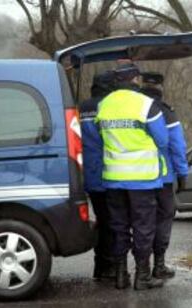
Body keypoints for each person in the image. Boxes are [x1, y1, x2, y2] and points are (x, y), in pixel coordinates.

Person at [95, 63, 169, 290]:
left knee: (118, 226)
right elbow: (163, 140)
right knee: (143, 227)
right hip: (142, 178)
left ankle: (120, 275)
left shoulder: (104, 104)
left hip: (113, 178)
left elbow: (100, 136)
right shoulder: (146, 104)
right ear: (136, 80)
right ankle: (143, 276)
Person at [141, 72, 188, 279]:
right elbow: (177, 146)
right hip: (163, 177)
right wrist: (182, 173)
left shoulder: (134, 108)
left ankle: (135, 268)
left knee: (141, 221)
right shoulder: (167, 112)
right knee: (164, 218)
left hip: (136, 177)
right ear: (160, 88)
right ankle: (159, 265)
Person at [79, 71, 116, 280]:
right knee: (112, 222)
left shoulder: (81, 108)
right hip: (109, 172)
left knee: (102, 219)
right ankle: (109, 267)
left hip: (89, 174)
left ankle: (100, 266)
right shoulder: (109, 107)